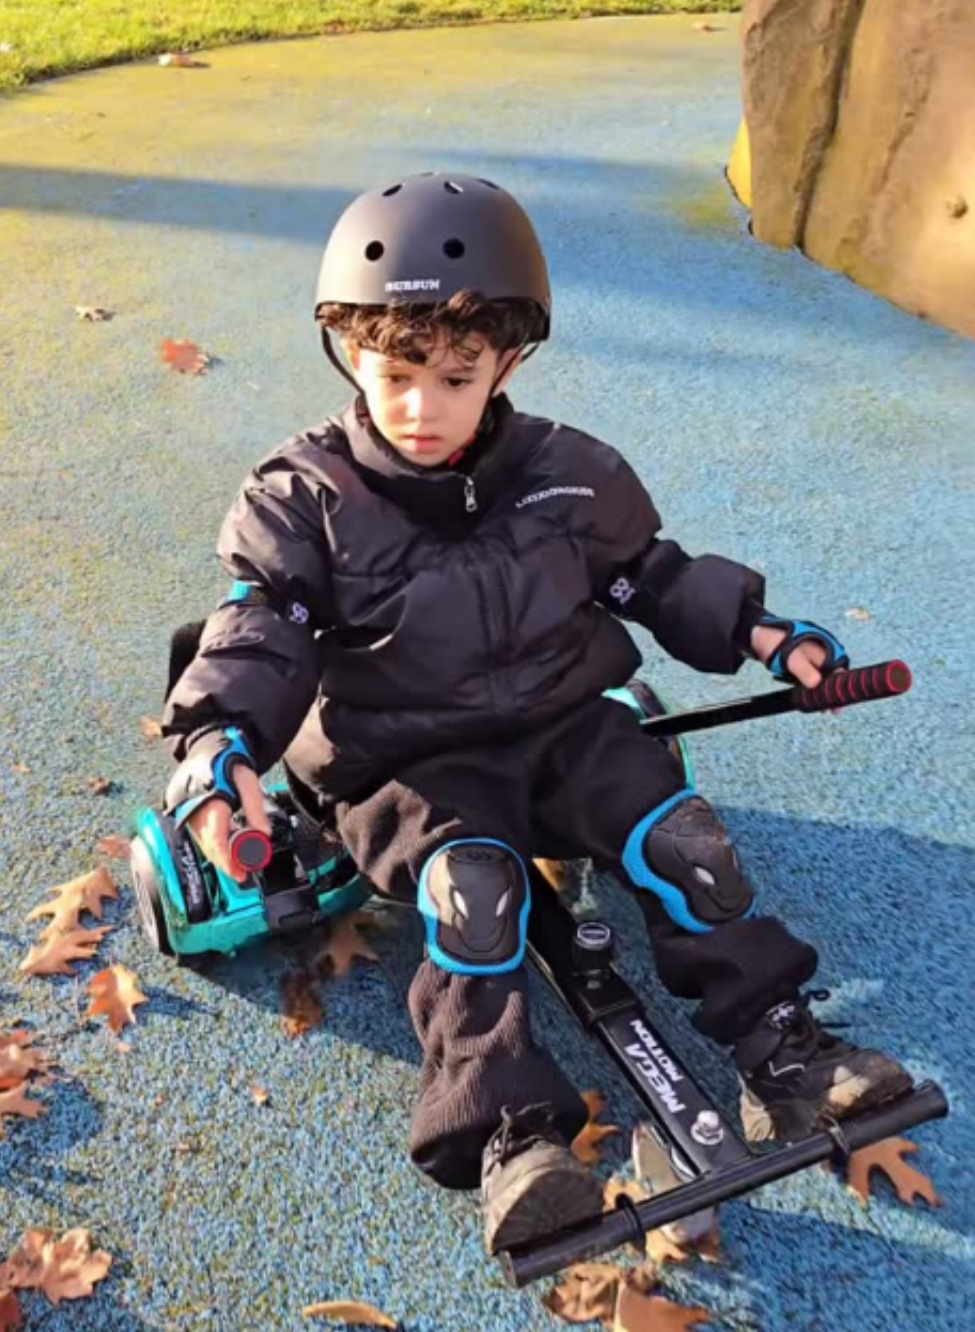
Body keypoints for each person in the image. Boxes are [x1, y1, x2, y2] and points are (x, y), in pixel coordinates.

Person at [161, 173, 914, 1255]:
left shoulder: (570, 474)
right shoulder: (303, 498)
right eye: (394, 375)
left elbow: (653, 577)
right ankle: (512, 1136)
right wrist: (218, 741)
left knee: (684, 842)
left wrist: (762, 632)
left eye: (455, 377)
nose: (420, 408)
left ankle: (784, 1047)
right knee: (476, 893)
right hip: (405, 760)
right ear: (348, 354)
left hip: (564, 728)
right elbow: (261, 624)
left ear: (507, 362)